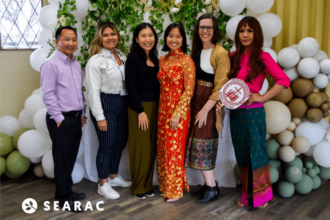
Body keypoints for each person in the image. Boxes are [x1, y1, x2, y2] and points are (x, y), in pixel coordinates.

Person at [217, 16, 290, 208]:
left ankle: (262, 196)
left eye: (249, 30)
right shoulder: (231, 57)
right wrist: (221, 101)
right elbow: (225, 85)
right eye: (241, 31)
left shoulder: (263, 56)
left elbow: (284, 81)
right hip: (236, 114)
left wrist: (262, 97)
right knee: (241, 153)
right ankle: (247, 193)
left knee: (256, 152)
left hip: (253, 113)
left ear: (256, 33)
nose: (245, 34)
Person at [185, 14, 230, 203]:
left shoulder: (221, 53)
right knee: (196, 143)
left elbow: (221, 86)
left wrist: (205, 110)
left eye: (209, 27)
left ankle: (212, 188)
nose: (205, 31)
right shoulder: (196, 51)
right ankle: (207, 184)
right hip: (195, 101)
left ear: (215, 30)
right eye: (201, 27)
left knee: (204, 144)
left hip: (208, 104)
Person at [41, 26, 85, 212]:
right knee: (61, 159)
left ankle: (64, 191)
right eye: (66, 39)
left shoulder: (75, 63)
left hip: (75, 118)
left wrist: (82, 114)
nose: (71, 43)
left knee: (70, 158)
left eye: (74, 39)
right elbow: (48, 94)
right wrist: (59, 119)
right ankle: (65, 198)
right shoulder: (50, 64)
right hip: (61, 119)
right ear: (57, 41)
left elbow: (79, 92)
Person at [86, 21, 131, 200]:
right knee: (107, 145)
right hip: (106, 103)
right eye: (105, 35)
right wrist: (99, 117)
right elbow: (93, 91)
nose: (110, 37)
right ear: (99, 38)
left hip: (123, 101)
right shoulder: (95, 61)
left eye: (112, 34)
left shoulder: (123, 57)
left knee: (120, 142)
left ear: (117, 36)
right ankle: (103, 183)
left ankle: (113, 176)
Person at [157, 23, 196, 202]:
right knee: (164, 149)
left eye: (178, 36)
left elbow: (189, 90)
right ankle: (165, 185)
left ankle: (174, 190)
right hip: (162, 111)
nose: (174, 39)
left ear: (183, 39)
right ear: (166, 38)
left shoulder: (186, 60)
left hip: (177, 113)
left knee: (174, 151)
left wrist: (177, 113)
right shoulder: (162, 60)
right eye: (171, 36)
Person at [125, 23, 160, 200]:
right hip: (139, 108)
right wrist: (140, 111)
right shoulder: (132, 58)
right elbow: (130, 87)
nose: (148, 39)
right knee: (140, 149)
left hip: (155, 107)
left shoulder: (156, 58)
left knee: (151, 148)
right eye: (143, 36)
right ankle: (137, 186)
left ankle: (147, 184)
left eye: (150, 35)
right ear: (137, 39)